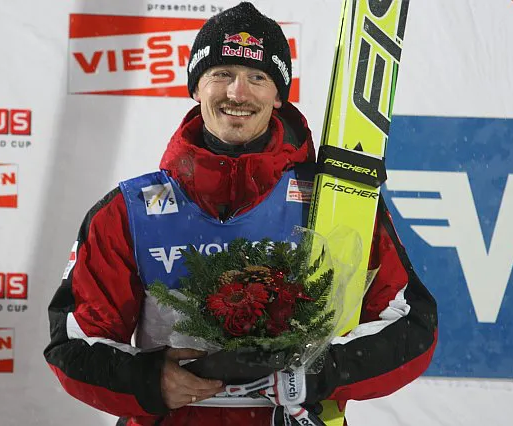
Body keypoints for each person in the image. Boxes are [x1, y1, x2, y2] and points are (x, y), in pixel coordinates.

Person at [44, 2, 438, 425]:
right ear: (196, 87)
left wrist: (321, 372)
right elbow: (74, 345)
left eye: (257, 77)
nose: (237, 93)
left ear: (278, 95)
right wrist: (149, 380)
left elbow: (411, 326)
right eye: (221, 74)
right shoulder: (129, 211)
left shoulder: (333, 202)